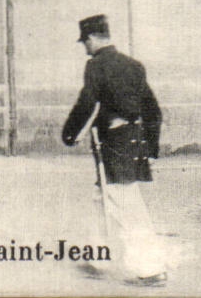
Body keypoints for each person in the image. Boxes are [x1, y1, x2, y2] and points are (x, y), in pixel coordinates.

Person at [61, 14, 167, 286]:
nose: (84, 46)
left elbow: (87, 103)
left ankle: (150, 269)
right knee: (101, 198)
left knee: (126, 203)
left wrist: (70, 134)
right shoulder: (134, 66)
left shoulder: (96, 65)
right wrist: (151, 145)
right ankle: (96, 257)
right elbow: (152, 109)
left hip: (114, 143)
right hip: (133, 140)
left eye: (85, 41)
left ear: (94, 38)